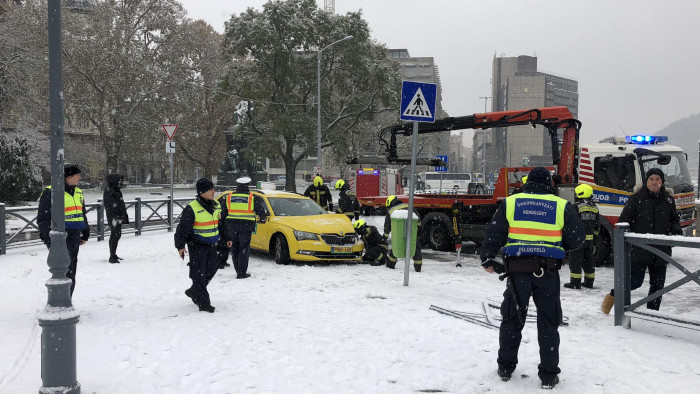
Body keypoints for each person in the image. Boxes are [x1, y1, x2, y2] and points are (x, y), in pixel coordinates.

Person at [480, 167, 585, 389]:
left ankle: (506, 368)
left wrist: (488, 257)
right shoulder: (560, 205)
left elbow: (494, 232)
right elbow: (577, 238)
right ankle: (548, 375)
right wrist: (557, 248)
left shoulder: (511, 202)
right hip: (547, 273)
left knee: (511, 318)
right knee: (548, 322)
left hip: (517, 272)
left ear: (528, 183)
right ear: (549, 183)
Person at [601, 168, 681, 314]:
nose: (655, 182)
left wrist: (676, 232)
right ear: (646, 181)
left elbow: (674, 220)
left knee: (658, 286)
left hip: (661, 250)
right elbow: (623, 221)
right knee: (634, 282)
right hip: (640, 249)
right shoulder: (636, 198)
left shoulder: (668, 200)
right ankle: (613, 295)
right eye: (651, 179)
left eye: (658, 179)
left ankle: (652, 312)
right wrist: (627, 240)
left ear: (662, 182)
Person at [175, 178, 230, 313]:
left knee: (212, 268)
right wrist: (180, 246)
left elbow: (221, 224)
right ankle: (204, 303)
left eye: (213, 188)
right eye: (210, 189)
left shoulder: (216, 205)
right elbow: (182, 229)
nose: (213, 191)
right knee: (198, 274)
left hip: (212, 244)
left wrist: (227, 237)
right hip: (197, 245)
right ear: (202, 192)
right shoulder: (192, 208)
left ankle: (194, 291)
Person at [37, 164, 90, 296]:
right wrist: (50, 239)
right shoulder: (52, 191)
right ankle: (61, 300)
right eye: (77, 175)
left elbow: (82, 214)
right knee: (62, 270)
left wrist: (85, 232)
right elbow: (43, 219)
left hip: (74, 236)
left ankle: (67, 299)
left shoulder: (78, 192)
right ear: (68, 177)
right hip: (59, 237)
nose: (80, 177)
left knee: (71, 269)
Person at [224, 176, 266, 279]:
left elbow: (224, 212)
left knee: (235, 249)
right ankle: (242, 273)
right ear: (247, 186)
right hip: (246, 227)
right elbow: (260, 210)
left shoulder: (229, 197)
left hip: (232, 227)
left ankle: (238, 270)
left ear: (237, 186)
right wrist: (262, 219)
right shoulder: (251, 197)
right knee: (244, 249)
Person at [564, 184, 599, 289]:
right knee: (588, 262)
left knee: (575, 262)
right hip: (589, 241)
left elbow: (572, 222)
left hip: (578, 240)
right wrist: (594, 238)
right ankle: (589, 282)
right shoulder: (594, 207)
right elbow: (597, 226)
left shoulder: (576, 206)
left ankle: (575, 283)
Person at [383, 195, 423, 272]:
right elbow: (417, 217)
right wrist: (419, 228)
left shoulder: (391, 210)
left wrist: (385, 236)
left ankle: (391, 264)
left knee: (396, 246)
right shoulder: (408, 206)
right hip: (412, 230)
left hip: (398, 231)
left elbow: (387, 225)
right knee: (416, 247)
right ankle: (418, 267)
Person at [103, 173, 129, 264]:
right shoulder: (110, 190)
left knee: (116, 235)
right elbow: (109, 205)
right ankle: (112, 255)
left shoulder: (115, 189)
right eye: (120, 180)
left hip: (117, 216)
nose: (121, 182)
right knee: (115, 235)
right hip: (114, 217)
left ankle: (113, 254)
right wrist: (116, 215)